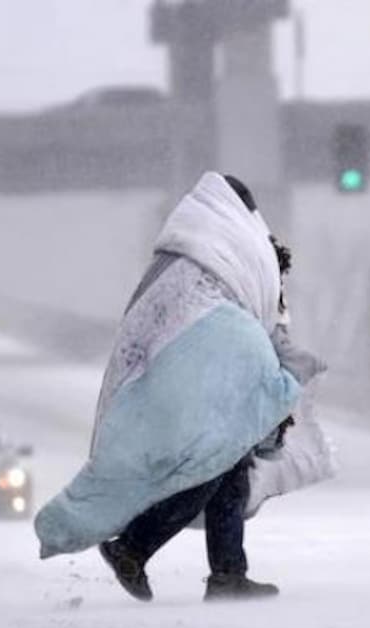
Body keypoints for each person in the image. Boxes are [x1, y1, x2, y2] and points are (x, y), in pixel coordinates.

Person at [34, 172, 325, 602]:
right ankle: (134, 547)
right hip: (201, 371)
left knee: (227, 466)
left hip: (177, 371)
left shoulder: (181, 254)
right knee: (210, 464)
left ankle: (227, 574)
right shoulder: (235, 246)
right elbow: (256, 307)